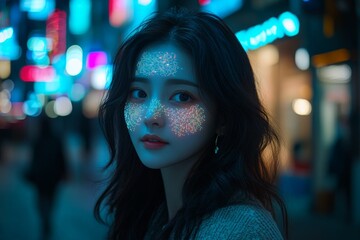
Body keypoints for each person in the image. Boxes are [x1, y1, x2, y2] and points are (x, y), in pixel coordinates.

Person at [95, 8, 287, 239]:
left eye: (181, 96)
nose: (150, 116)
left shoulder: (241, 230)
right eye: (139, 93)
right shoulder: (150, 212)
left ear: (223, 116)